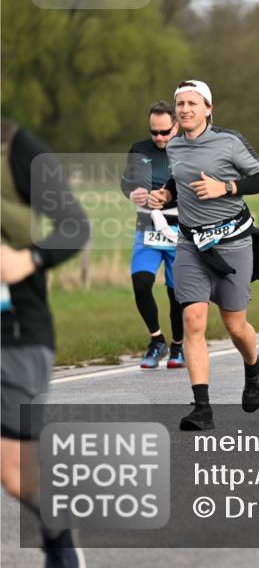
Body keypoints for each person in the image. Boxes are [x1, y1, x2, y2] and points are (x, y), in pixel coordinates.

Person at [149, 80, 259, 431]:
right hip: (191, 244)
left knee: (235, 325)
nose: (185, 109)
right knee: (192, 320)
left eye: (193, 103)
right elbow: (179, 180)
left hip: (232, 243)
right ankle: (202, 408)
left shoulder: (229, 142)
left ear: (208, 109)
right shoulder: (174, 145)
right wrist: (166, 195)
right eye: (180, 104)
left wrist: (226, 187)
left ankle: (254, 365)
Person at [2, 119, 90, 566]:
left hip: (15, 335)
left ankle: (59, 537)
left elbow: (75, 226)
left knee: (16, 475)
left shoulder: (16, 149)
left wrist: (29, 258)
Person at [121, 101, 186, 368]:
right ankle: (157, 340)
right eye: (154, 132)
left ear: (176, 127)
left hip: (179, 232)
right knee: (141, 283)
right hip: (147, 229)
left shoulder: (188, 149)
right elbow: (126, 182)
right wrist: (133, 193)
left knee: (176, 294)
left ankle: (178, 346)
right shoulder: (139, 150)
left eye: (164, 132)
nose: (159, 137)